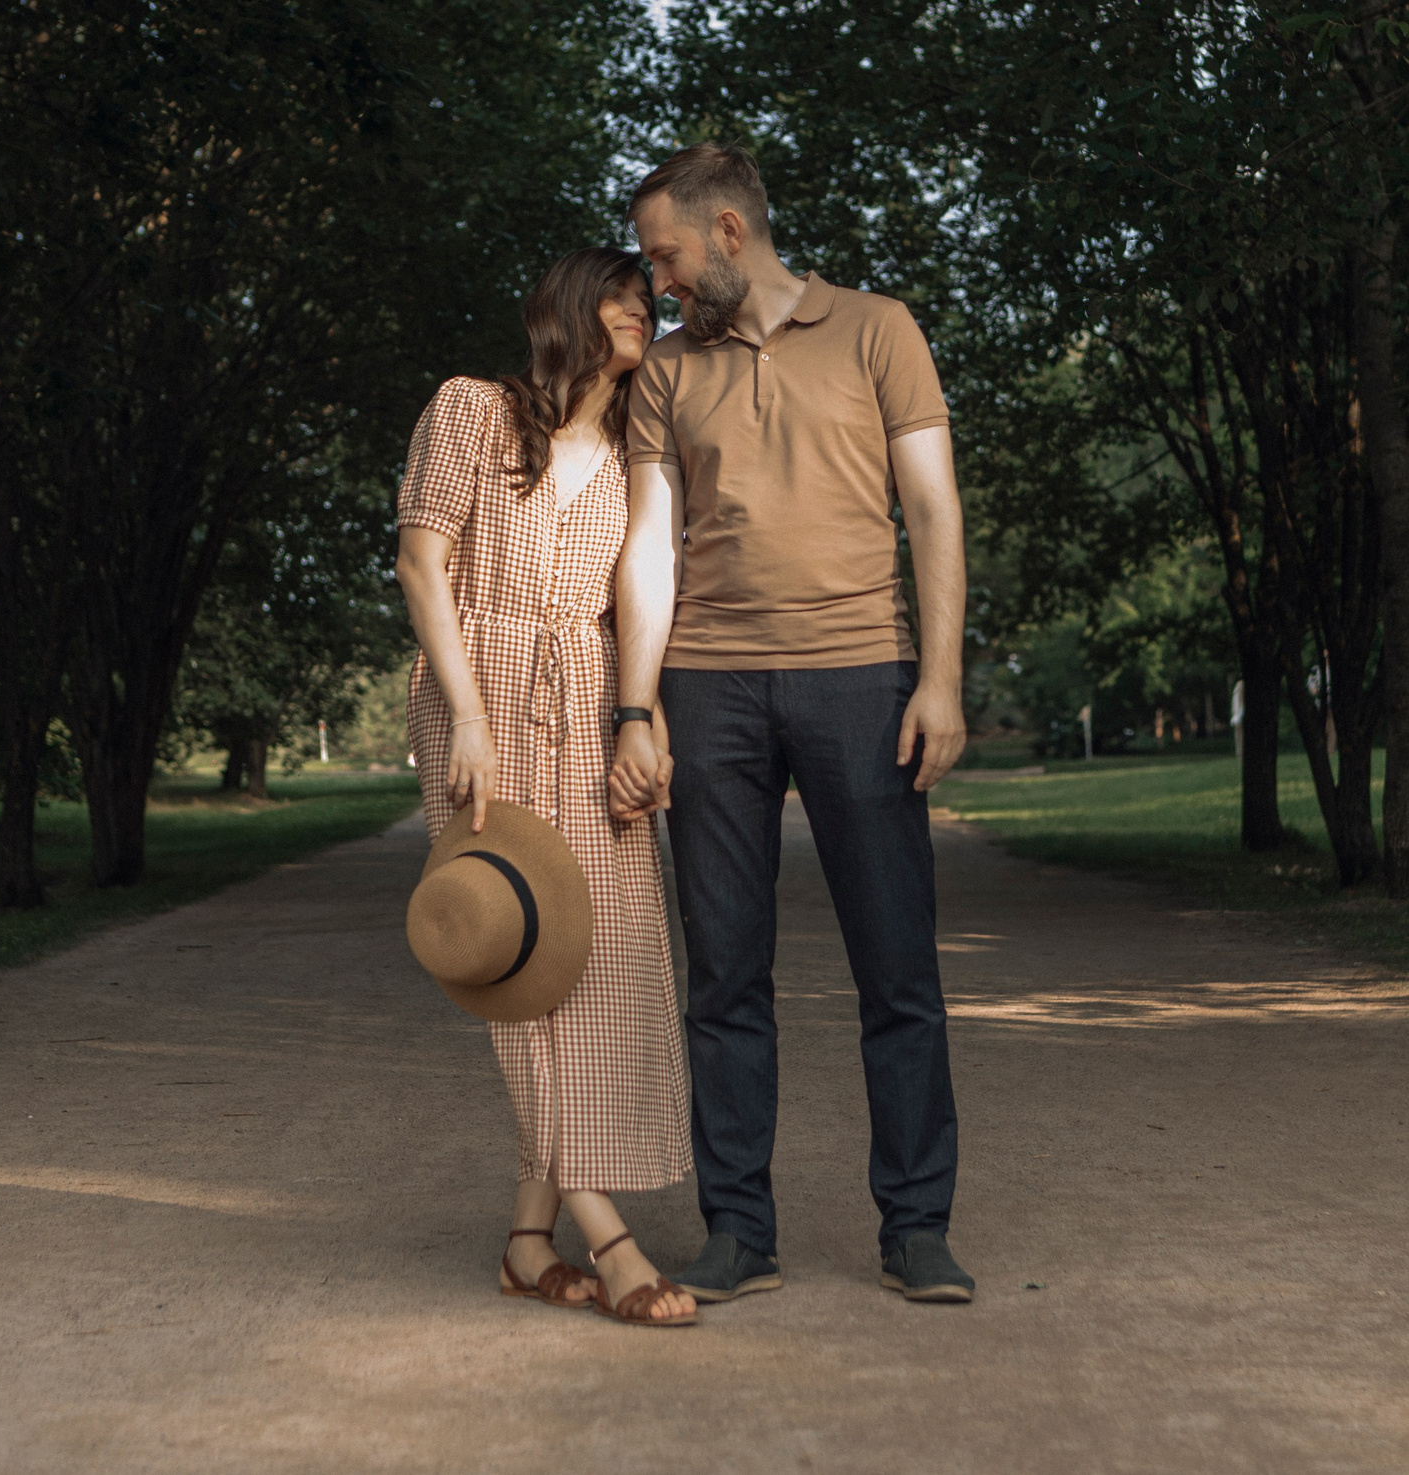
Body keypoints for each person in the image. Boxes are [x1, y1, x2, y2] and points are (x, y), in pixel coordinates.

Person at [607, 143, 976, 1305]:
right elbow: (651, 548)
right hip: (711, 690)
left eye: (663, 255)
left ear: (726, 233)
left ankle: (915, 1227)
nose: (655, 281)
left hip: (861, 679)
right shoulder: (665, 372)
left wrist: (942, 678)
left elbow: (932, 509)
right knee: (722, 975)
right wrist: (637, 705)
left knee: (896, 968)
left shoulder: (877, 330)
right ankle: (738, 1230)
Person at [395, 247, 699, 1328]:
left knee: (590, 956)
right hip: (480, 702)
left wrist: (640, 725)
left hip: (588, 704)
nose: (641, 310)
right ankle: (606, 1235)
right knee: (511, 946)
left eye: (649, 300)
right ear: (568, 306)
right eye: (622, 294)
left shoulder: (633, 454)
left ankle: (530, 1241)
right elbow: (423, 565)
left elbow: (633, 603)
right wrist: (469, 713)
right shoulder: (473, 411)